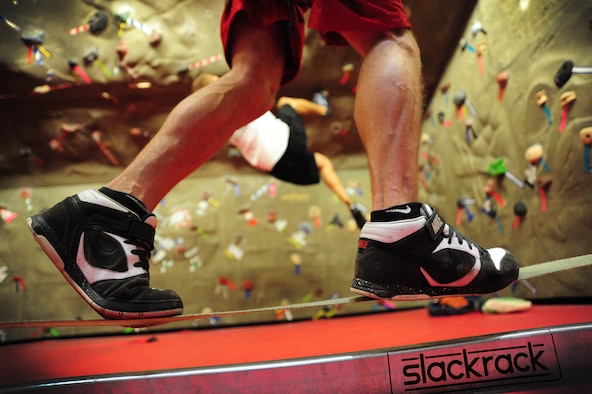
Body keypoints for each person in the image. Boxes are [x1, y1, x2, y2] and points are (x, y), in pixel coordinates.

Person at [27, 1, 519, 320]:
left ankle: (108, 213)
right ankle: (401, 228)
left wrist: (311, 115)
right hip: (285, 151)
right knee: (389, 36)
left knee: (255, 79)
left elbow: (290, 117)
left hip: (283, 142)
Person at [192, 73, 367, 229]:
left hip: (273, 165)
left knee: (322, 163)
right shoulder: (236, 97)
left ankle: (351, 204)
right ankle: (323, 109)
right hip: (285, 140)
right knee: (285, 103)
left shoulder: (215, 123)